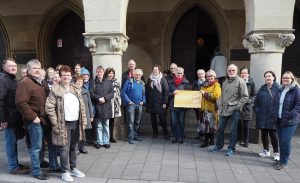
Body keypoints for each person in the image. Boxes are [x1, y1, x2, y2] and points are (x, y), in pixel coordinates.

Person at [45, 65, 87, 182]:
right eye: (64, 75)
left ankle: (73, 168)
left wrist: (83, 122)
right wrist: (55, 123)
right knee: (64, 149)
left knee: (74, 147)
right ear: (60, 76)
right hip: (63, 124)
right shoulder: (55, 89)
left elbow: (82, 107)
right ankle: (65, 171)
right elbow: (49, 108)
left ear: (71, 76)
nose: (66, 77)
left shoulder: (75, 89)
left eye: (68, 75)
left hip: (76, 123)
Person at [15, 59, 49, 180]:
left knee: (41, 145)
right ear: (28, 70)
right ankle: (36, 171)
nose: (37, 70)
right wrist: (33, 117)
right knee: (35, 147)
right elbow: (20, 102)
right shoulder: (25, 82)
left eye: (39, 68)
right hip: (34, 120)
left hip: (43, 119)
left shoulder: (41, 81)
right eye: (34, 68)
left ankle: (40, 163)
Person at [209, 64, 248, 157]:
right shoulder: (225, 81)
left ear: (236, 71)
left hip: (235, 109)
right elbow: (222, 96)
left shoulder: (240, 81)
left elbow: (245, 96)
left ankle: (231, 148)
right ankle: (218, 146)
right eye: (229, 70)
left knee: (233, 130)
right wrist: (220, 107)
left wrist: (238, 107)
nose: (231, 72)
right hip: (224, 109)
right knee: (220, 128)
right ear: (227, 71)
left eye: (233, 70)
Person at [0, 58, 30, 175]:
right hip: (9, 118)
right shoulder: (3, 80)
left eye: (14, 66)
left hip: (15, 117)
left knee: (14, 142)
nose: (13, 68)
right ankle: (13, 167)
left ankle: (15, 163)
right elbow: (1, 101)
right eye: (10, 66)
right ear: (4, 68)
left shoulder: (13, 79)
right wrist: (3, 120)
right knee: (10, 143)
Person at [273, 71, 300, 170]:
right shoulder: (280, 89)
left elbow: (298, 105)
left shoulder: (296, 90)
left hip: (290, 121)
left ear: (292, 79)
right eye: (284, 78)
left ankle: (284, 162)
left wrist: (289, 115)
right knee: (281, 140)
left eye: (287, 78)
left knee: (285, 141)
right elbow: (276, 103)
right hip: (279, 119)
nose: (285, 79)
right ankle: (281, 160)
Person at [255, 71, 280, 161]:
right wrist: (258, 111)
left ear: (273, 77)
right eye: (266, 76)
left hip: (273, 116)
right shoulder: (261, 89)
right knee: (264, 133)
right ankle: (266, 150)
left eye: (269, 76)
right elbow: (256, 101)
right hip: (262, 115)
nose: (268, 78)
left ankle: (277, 152)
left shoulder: (278, 88)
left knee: (273, 134)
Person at [90, 66, 114, 149]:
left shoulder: (108, 82)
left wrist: (105, 98)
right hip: (97, 106)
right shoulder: (93, 82)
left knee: (106, 125)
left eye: (101, 72)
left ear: (103, 73)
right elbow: (91, 93)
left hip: (106, 106)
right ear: (96, 73)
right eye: (98, 72)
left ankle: (106, 141)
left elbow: (112, 93)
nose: (99, 73)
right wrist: (98, 98)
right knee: (99, 126)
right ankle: (99, 142)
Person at [122, 69, 146, 144]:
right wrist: (128, 101)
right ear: (133, 75)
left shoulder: (142, 83)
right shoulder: (128, 82)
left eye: (139, 75)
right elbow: (123, 93)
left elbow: (144, 94)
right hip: (131, 105)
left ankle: (135, 135)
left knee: (137, 122)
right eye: (136, 74)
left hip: (139, 105)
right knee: (131, 122)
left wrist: (143, 101)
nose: (138, 76)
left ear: (141, 75)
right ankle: (130, 137)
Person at [146, 65, 169, 139]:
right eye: (154, 70)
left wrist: (165, 102)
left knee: (162, 119)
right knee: (153, 120)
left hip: (160, 102)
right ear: (152, 70)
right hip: (152, 102)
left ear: (159, 71)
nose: (155, 71)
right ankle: (155, 133)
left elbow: (166, 92)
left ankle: (166, 134)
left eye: (156, 70)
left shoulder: (163, 79)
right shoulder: (150, 79)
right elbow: (147, 90)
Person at [199, 70, 221, 148]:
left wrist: (204, 93)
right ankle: (210, 141)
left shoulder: (216, 85)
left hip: (212, 108)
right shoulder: (203, 85)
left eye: (212, 76)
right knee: (206, 126)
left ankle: (207, 141)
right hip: (204, 108)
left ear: (214, 77)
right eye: (208, 76)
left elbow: (216, 95)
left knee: (211, 126)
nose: (210, 77)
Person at [168, 67, 189, 144]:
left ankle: (180, 136)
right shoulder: (170, 83)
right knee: (174, 122)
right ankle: (174, 136)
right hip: (173, 105)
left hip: (182, 106)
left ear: (183, 74)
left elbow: (188, 95)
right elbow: (167, 94)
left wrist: (183, 93)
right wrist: (173, 93)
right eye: (178, 73)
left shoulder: (186, 83)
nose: (179, 74)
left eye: (181, 73)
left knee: (181, 122)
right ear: (175, 74)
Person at [237, 67, 257, 147]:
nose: (243, 74)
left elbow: (254, 95)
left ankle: (246, 141)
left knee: (246, 125)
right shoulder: (237, 82)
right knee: (238, 125)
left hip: (247, 107)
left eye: (245, 73)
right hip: (238, 106)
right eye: (242, 73)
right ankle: (238, 140)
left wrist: (248, 101)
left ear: (248, 74)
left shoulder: (251, 83)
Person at [74, 75, 94, 154]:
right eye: (78, 81)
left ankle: (82, 147)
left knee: (83, 131)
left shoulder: (86, 91)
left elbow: (89, 103)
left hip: (85, 115)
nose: (79, 83)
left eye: (81, 82)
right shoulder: (72, 91)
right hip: (75, 115)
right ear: (75, 82)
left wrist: (91, 115)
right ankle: (75, 148)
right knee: (76, 132)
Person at [104, 67, 122, 143]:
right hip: (106, 103)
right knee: (105, 122)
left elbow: (118, 93)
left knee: (112, 121)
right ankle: (105, 138)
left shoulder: (117, 83)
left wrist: (119, 102)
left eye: (112, 73)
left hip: (114, 104)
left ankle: (111, 137)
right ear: (106, 74)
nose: (111, 74)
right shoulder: (104, 82)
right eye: (109, 73)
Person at [80, 67, 95, 144]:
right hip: (85, 106)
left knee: (91, 123)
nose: (85, 76)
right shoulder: (80, 85)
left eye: (86, 75)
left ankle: (90, 139)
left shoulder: (92, 83)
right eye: (83, 75)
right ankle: (84, 141)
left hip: (93, 105)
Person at [192, 69, 206, 140]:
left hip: (205, 105)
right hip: (197, 105)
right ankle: (199, 133)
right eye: (199, 74)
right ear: (197, 75)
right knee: (198, 120)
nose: (201, 75)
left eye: (202, 74)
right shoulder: (195, 82)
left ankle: (204, 134)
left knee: (204, 120)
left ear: (204, 74)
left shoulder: (208, 82)